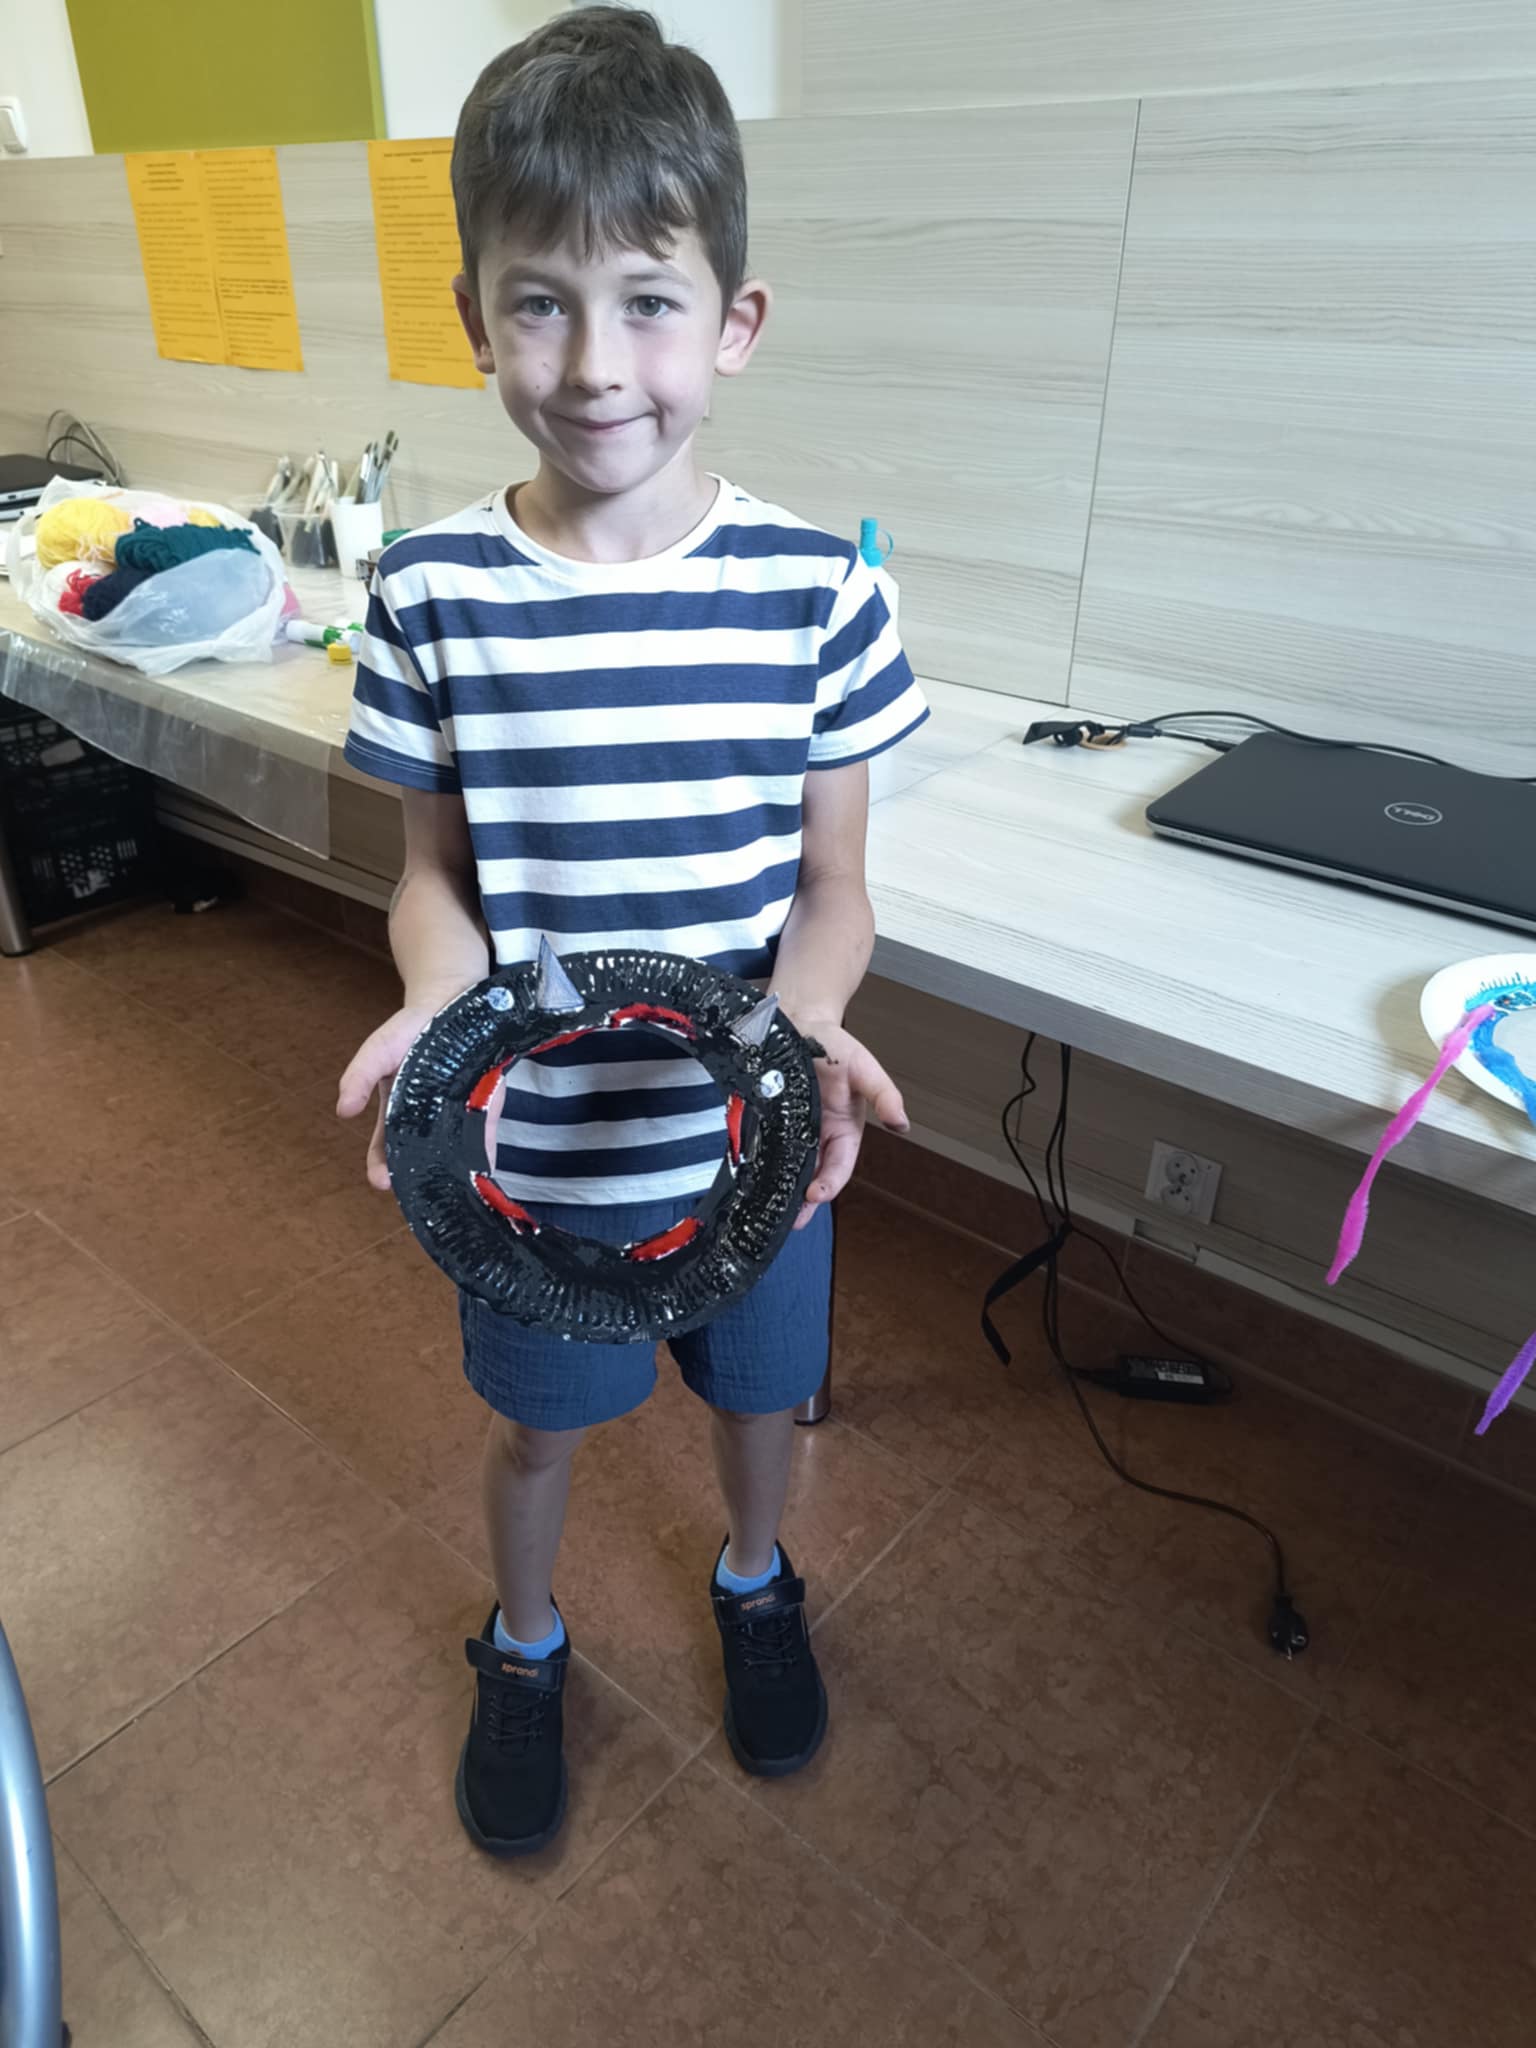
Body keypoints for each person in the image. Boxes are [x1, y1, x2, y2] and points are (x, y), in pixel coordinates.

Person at [337, 6, 929, 1857]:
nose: (597, 365)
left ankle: (757, 1580)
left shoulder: (818, 594)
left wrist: (804, 1034)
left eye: (649, 302)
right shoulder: (429, 591)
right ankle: (524, 1638)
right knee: (543, 1427)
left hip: (754, 1149)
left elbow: (834, 891)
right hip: (532, 1162)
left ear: (733, 321)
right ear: (474, 316)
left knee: (762, 1401)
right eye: (542, 303)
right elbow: (433, 880)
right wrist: (432, 1007)